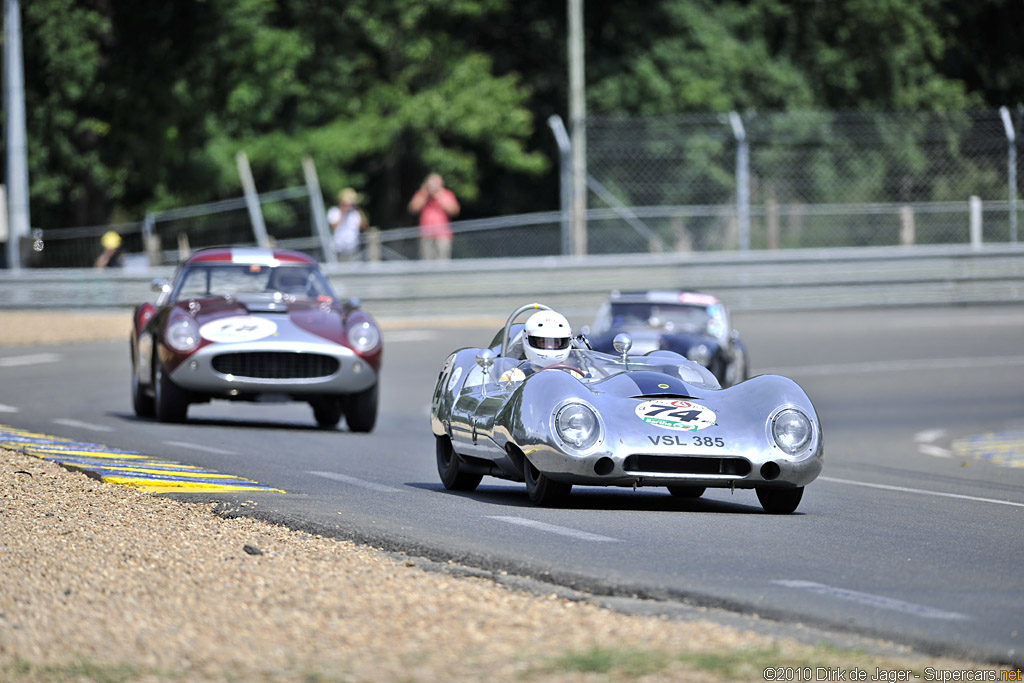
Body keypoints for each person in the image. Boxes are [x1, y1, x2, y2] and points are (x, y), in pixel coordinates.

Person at [408, 172, 459, 260]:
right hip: (426, 234)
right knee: (426, 262)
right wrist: (424, 194)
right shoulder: (421, 194)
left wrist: (439, 195)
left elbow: (454, 210)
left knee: (443, 261)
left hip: (442, 235)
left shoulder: (446, 194)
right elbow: (412, 209)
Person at [327, 187, 369, 262]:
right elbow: (332, 227)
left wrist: (358, 209)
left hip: (353, 249)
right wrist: (343, 212)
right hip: (339, 249)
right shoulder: (334, 211)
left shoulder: (355, 213)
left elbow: (364, 226)